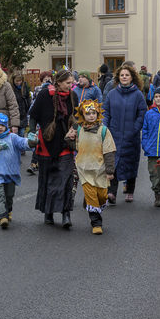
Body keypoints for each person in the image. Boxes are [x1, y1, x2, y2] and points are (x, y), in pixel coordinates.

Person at [29, 69, 78, 227]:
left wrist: (74, 129)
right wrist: (31, 133)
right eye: (68, 83)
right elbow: (34, 115)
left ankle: (66, 214)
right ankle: (48, 212)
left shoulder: (73, 96)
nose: (71, 86)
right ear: (58, 82)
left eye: (72, 83)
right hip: (46, 143)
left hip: (65, 144)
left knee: (66, 180)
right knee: (47, 179)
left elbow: (77, 118)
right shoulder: (44, 95)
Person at [0, 113, 36, 229]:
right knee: (0, 194)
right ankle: (2, 216)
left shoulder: (12, 137)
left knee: (9, 195)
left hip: (11, 172)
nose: (0, 127)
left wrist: (32, 141)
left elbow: (23, 143)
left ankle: (8, 210)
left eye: (2, 125)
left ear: (6, 126)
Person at [67, 100, 116, 234]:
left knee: (102, 196)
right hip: (84, 169)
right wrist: (69, 138)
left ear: (98, 113)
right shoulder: (78, 128)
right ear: (83, 115)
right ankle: (96, 223)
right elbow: (73, 145)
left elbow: (109, 151)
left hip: (100, 169)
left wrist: (110, 170)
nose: (91, 116)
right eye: (88, 113)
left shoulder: (104, 131)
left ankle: (88, 202)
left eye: (94, 113)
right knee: (92, 196)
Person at [103, 64, 147, 204]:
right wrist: (105, 128)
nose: (124, 77)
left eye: (127, 75)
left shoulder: (138, 94)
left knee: (130, 163)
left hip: (131, 135)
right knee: (113, 163)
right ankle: (112, 192)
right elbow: (106, 112)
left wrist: (135, 128)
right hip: (113, 134)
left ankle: (130, 190)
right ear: (118, 77)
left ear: (132, 77)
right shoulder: (112, 94)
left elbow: (142, 113)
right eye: (122, 75)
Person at [9, 71, 32, 137]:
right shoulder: (10, 88)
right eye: (17, 81)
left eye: (20, 81)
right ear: (13, 80)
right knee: (14, 136)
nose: (19, 83)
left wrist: (28, 111)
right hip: (14, 116)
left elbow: (28, 99)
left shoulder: (24, 86)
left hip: (23, 115)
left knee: (21, 134)